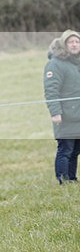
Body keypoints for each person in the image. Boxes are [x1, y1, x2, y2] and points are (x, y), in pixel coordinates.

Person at [44, 30, 80, 184]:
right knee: (65, 150)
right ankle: (62, 180)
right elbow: (51, 90)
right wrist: (55, 112)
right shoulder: (55, 64)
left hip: (78, 115)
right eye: (71, 42)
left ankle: (72, 178)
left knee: (75, 151)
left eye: (77, 42)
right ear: (64, 45)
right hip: (65, 116)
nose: (75, 44)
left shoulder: (77, 63)